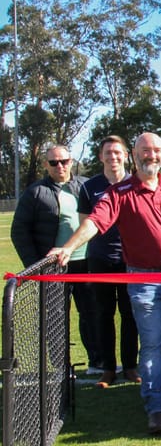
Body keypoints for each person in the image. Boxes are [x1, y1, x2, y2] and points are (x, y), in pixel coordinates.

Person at [49, 132, 161, 435]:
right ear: (134, 154)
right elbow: (93, 222)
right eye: (145, 150)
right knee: (152, 344)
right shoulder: (120, 192)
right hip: (144, 281)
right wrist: (68, 246)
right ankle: (155, 407)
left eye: (156, 150)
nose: (151, 155)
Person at [12, 144, 100, 372]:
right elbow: (19, 231)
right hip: (53, 266)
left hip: (86, 262)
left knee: (91, 312)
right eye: (53, 162)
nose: (59, 166)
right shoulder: (35, 192)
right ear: (46, 165)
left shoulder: (85, 186)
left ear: (71, 162)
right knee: (56, 317)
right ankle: (61, 366)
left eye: (64, 161)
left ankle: (96, 361)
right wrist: (35, 266)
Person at [78, 136, 139, 387]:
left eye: (117, 152)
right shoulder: (89, 187)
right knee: (103, 313)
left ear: (126, 155)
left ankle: (130, 366)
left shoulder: (135, 184)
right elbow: (86, 223)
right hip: (100, 258)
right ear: (101, 156)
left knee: (130, 314)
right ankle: (107, 368)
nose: (113, 157)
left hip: (130, 259)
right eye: (108, 153)